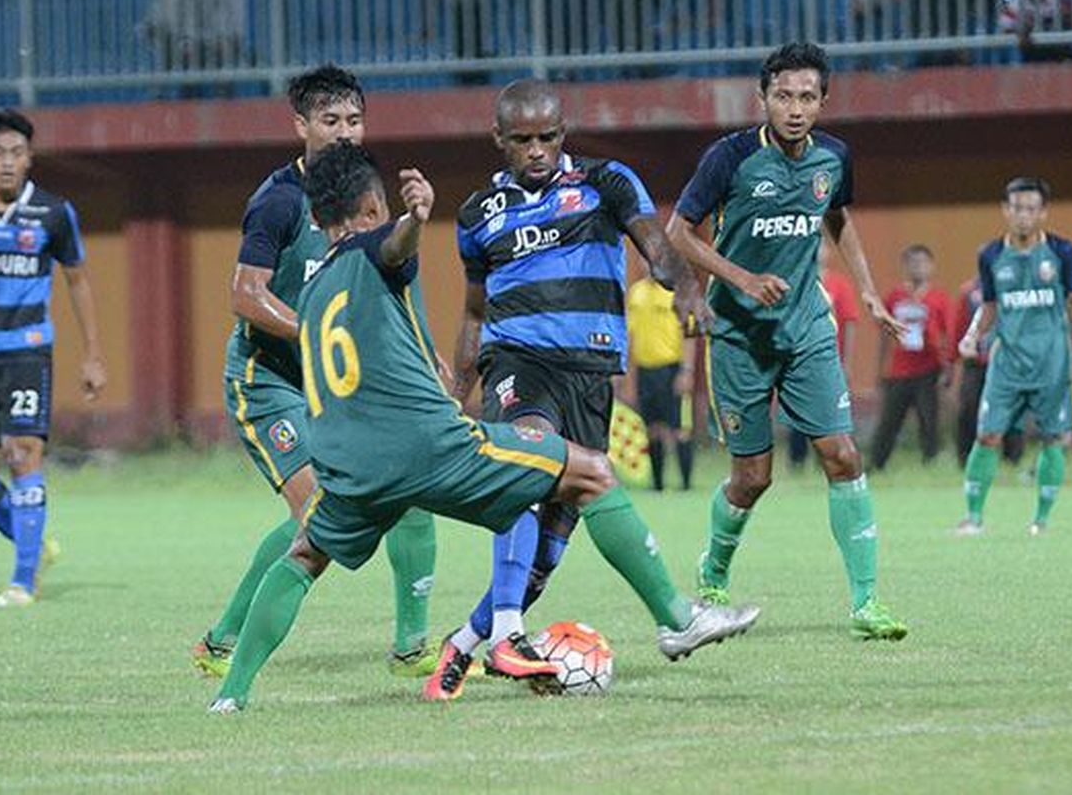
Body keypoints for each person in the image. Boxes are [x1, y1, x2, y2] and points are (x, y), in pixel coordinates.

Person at [208, 142, 759, 712]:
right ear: (372, 206)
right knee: (591, 472)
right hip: (430, 445)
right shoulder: (379, 245)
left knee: (303, 556)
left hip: (351, 467)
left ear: (317, 220)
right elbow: (392, 246)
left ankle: (231, 696)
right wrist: (414, 219)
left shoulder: (315, 290)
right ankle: (675, 618)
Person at [427, 79, 752, 701]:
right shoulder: (478, 214)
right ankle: (519, 634)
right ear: (499, 140)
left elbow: (656, 246)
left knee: (549, 549)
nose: (536, 150)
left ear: (563, 133)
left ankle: (465, 644)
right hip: (519, 365)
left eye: (547, 137)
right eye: (522, 140)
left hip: (591, 376)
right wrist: (460, 387)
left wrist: (683, 287)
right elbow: (473, 312)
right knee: (529, 462)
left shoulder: (606, 181)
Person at [190, 65, 439, 680]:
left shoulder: (368, 198)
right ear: (300, 125)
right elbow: (246, 295)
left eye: (354, 119)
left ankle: (412, 648)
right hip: (269, 384)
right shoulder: (277, 200)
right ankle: (223, 644)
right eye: (331, 121)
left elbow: (394, 278)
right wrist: (319, 332)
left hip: (334, 386)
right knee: (320, 519)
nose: (346, 132)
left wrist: (425, 351)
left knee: (408, 495)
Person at [667, 42, 908, 641]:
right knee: (753, 478)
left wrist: (869, 291)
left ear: (823, 101)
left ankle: (867, 602)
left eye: (806, 97)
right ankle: (714, 570)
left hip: (806, 331)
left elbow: (839, 218)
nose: (795, 108)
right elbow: (679, 234)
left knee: (843, 455)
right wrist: (742, 279)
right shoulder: (729, 159)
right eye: (783, 96)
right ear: (764, 99)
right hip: (740, 338)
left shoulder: (834, 157)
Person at [0, 109, 107, 607]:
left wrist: (93, 356)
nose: (9, 162)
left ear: (30, 158)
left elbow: (77, 281)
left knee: (22, 454)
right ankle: (31, 540)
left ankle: (22, 581)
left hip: (27, 351)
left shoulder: (54, 213)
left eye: (18, 153)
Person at [955, 177, 1072, 537]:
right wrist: (972, 336)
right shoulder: (991, 255)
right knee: (988, 436)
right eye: (1016, 208)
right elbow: (990, 306)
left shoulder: (1062, 252)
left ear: (1043, 212)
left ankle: (1041, 521)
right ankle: (973, 518)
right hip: (1007, 364)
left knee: (1052, 437)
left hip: (1052, 363)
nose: (1023, 215)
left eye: (1031, 208)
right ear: (1005, 211)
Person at [869, 244, 952, 470]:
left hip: (928, 369)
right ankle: (876, 463)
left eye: (923, 263)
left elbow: (948, 335)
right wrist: (880, 370)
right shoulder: (895, 297)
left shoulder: (939, 298)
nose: (918, 268)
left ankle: (931, 461)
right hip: (899, 370)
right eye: (913, 263)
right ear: (905, 266)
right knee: (889, 420)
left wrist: (947, 369)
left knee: (929, 420)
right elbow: (885, 335)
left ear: (932, 267)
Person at [788, 241, 858, 469]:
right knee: (797, 412)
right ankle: (797, 461)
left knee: (831, 414)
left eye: (821, 247)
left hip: (829, 358)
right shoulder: (794, 280)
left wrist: (847, 361)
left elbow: (849, 324)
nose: (817, 251)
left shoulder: (839, 284)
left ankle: (829, 462)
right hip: (798, 358)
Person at [625, 276, 697, 490]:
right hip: (645, 370)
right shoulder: (636, 292)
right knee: (652, 428)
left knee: (680, 429)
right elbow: (630, 336)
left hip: (672, 369)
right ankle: (657, 484)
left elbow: (689, 334)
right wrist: (628, 376)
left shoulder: (676, 292)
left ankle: (686, 484)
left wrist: (687, 370)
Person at [951, 275, 1027, 468]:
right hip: (976, 362)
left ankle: (1012, 458)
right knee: (969, 408)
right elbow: (960, 327)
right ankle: (966, 459)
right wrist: (956, 359)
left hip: (1008, 362)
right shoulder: (969, 292)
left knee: (1012, 409)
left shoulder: (1015, 290)